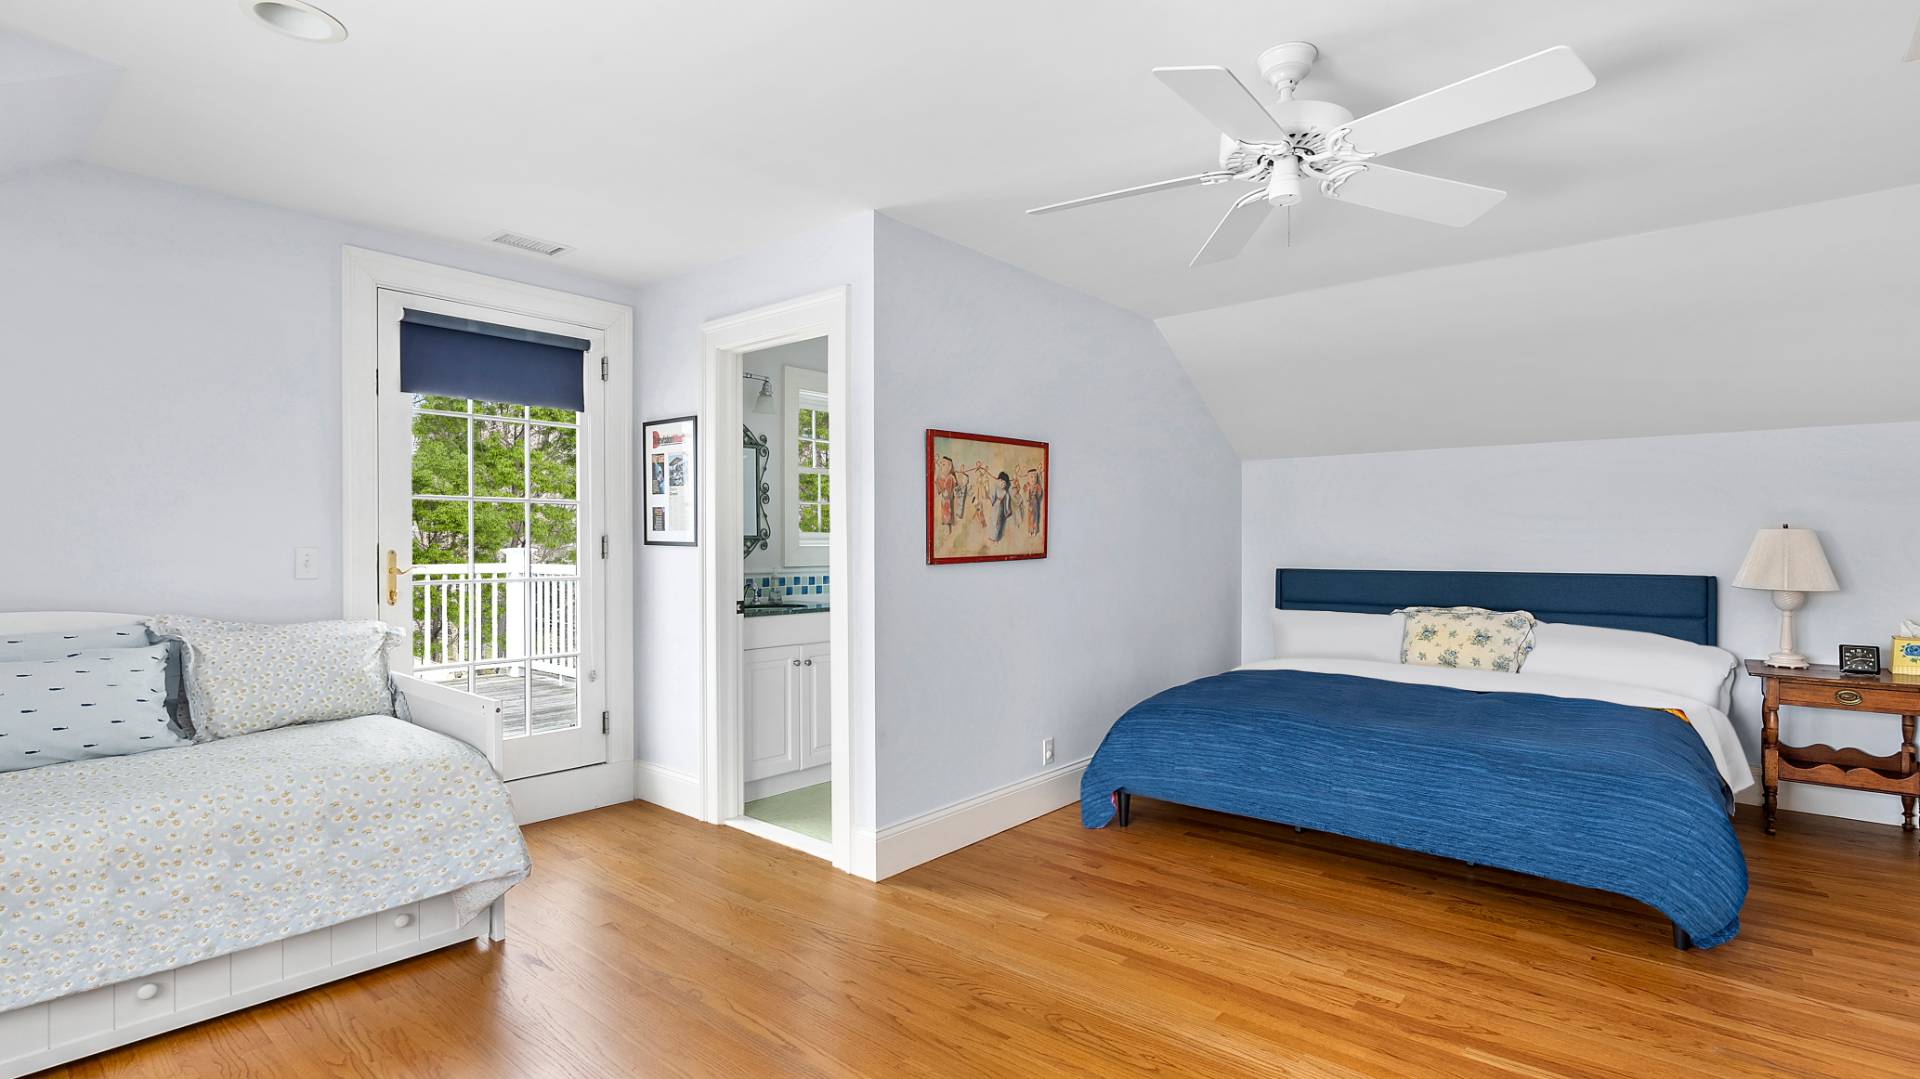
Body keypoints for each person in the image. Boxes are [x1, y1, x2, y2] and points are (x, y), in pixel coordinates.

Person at [987, 471, 1014, 542]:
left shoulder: (1006, 493)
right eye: (1002, 482)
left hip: (1001, 509)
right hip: (995, 507)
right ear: (999, 481)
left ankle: (995, 538)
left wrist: (1008, 510)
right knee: (993, 520)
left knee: (998, 523)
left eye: (1005, 483)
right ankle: (991, 536)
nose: (1003, 485)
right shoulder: (996, 488)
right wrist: (990, 499)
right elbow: (992, 497)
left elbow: (1007, 502)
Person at [933, 456, 957, 530]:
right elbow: (939, 489)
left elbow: (947, 492)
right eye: (941, 464)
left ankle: (948, 528)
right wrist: (936, 478)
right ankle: (946, 527)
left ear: (949, 467)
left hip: (948, 500)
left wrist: (939, 481)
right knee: (944, 514)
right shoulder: (943, 477)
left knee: (948, 514)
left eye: (944, 465)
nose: (941, 467)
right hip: (944, 500)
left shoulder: (950, 477)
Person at [1024, 468, 1044, 536]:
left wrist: (1037, 492)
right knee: (1030, 517)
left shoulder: (1037, 486)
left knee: (1035, 516)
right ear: (1028, 478)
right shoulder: (1027, 486)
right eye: (1031, 477)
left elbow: (1039, 495)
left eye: (1035, 477)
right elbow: (1027, 498)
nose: (1033, 479)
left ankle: (1035, 529)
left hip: (1035, 503)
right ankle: (1030, 530)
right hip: (1030, 503)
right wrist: (1028, 491)